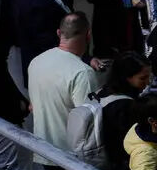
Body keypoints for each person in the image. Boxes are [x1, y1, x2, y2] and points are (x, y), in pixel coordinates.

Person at [26, 14, 101, 150]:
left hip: (43, 152)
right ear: (88, 35)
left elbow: (32, 106)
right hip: (71, 158)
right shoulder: (82, 72)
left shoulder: (36, 62)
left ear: (59, 33)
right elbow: (89, 123)